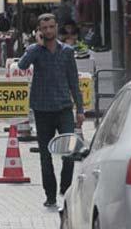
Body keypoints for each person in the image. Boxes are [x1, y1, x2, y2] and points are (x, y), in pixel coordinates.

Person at [17, 13, 84, 208]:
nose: (48, 31)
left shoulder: (67, 51)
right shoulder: (35, 51)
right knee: (45, 156)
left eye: (51, 27)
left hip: (63, 108)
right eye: (44, 28)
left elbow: (73, 81)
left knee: (69, 152)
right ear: (39, 30)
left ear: (56, 28)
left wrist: (80, 109)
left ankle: (66, 188)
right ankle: (50, 195)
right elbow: (22, 65)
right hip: (42, 109)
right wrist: (37, 46)